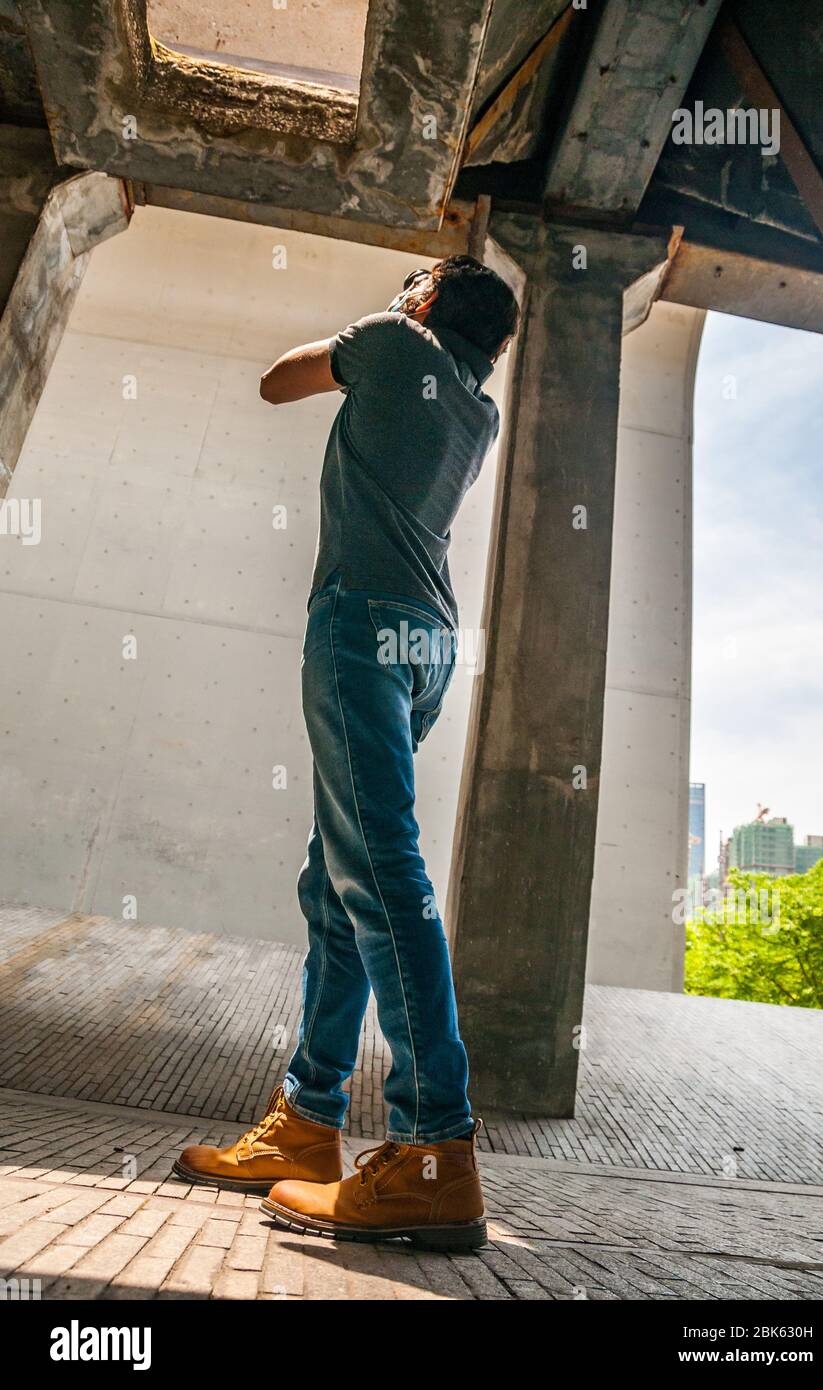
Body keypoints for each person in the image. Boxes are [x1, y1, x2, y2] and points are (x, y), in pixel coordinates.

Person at [174, 255, 519, 1251]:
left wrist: (382, 317)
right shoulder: (476, 411)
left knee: (376, 870)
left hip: (361, 625)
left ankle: (428, 1156)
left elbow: (277, 378)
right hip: (427, 643)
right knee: (339, 882)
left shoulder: (386, 342)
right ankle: (309, 1122)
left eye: (409, 286)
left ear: (421, 302)